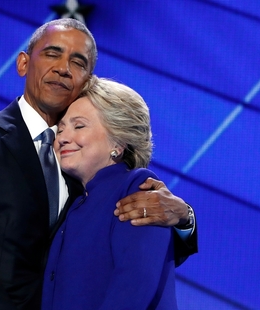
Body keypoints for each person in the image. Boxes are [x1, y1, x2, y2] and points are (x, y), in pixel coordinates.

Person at [0, 18, 196, 310]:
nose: (63, 68)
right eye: (53, 53)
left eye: (78, 62)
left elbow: (138, 249)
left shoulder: (88, 165)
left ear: (87, 80)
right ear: (23, 64)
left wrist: (185, 219)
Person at [43, 76, 176, 309]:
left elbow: (134, 284)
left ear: (118, 141)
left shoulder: (137, 187)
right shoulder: (75, 200)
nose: (62, 138)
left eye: (79, 126)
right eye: (60, 128)